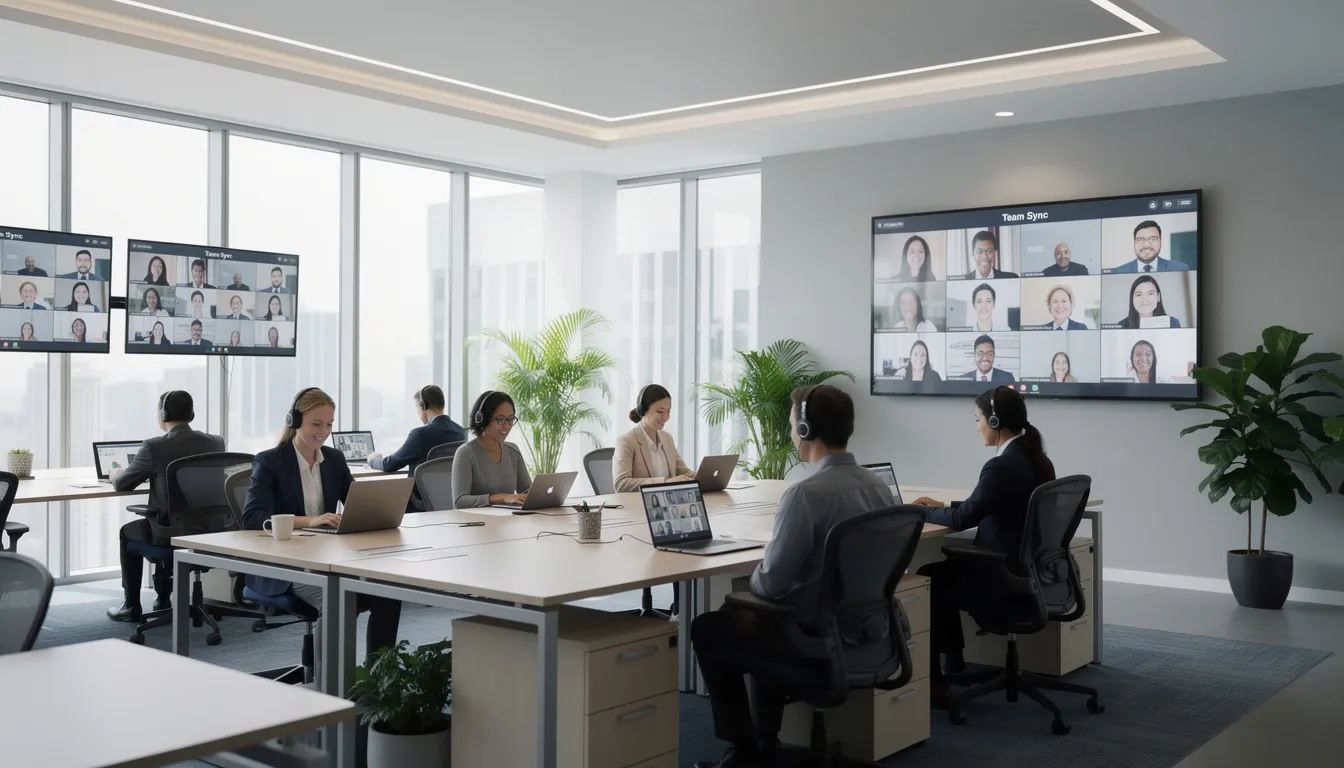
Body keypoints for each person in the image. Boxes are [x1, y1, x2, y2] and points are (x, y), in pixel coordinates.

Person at [691, 385, 894, 768]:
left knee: (711, 627)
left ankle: (747, 749)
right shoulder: (878, 486)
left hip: (812, 642)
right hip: (865, 634)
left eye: (791, 425)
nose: (790, 433)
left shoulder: (806, 495)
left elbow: (771, 584)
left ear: (805, 430)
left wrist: (759, 568)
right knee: (761, 619)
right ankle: (765, 738)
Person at [910, 386, 1055, 707]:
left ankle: (937, 684)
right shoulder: (1036, 459)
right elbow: (990, 503)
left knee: (928, 578)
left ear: (995, 421)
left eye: (977, 419)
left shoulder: (1000, 466)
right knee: (939, 573)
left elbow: (963, 519)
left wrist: (919, 511)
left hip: (1001, 576)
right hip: (1029, 571)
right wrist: (943, 505)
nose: (976, 427)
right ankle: (954, 664)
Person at [242, 387, 402, 661]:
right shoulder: (270, 461)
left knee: (388, 593)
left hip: (327, 560)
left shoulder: (334, 459)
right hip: (281, 566)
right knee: (338, 599)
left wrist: (379, 510)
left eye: (329, 424)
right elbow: (253, 518)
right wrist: (311, 521)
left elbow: (357, 503)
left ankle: (378, 675)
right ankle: (329, 680)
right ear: (295, 421)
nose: (324, 431)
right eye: (316, 423)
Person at [105, 390, 225, 622]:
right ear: (192, 414)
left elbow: (123, 483)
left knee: (129, 532)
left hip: (171, 534)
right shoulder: (216, 442)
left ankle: (131, 606)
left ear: (163, 414)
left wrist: (115, 473)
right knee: (169, 518)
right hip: (211, 531)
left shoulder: (154, 447)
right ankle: (162, 599)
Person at [366, 385, 467, 509]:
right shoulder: (460, 432)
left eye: (417, 407)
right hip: (449, 498)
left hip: (420, 501)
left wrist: (373, 460)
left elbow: (390, 464)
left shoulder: (420, 434)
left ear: (423, 406)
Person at [452, 390, 531, 508]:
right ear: (482, 419)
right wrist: (501, 498)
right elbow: (460, 501)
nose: (507, 426)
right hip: (477, 519)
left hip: (507, 517)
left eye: (510, 419)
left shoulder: (513, 450)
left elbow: (528, 491)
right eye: (500, 419)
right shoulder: (465, 453)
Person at [614, 384, 695, 492]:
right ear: (643, 410)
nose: (666, 417)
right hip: (639, 502)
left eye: (668, 411)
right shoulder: (626, 441)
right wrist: (664, 483)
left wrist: (706, 478)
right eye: (660, 411)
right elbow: (621, 484)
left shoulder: (667, 438)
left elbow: (684, 473)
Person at [1112, 220, 1190, 273]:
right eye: (1140, 239)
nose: (1146, 245)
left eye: (1153, 238)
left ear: (1160, 241)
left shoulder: (1180, 269)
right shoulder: (1119, 271)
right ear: (1134, 242)